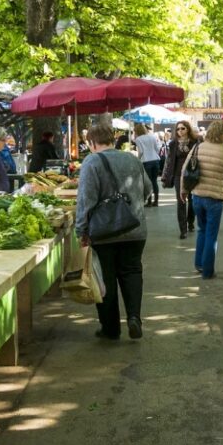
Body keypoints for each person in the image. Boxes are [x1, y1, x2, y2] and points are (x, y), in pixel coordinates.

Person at [75, 125, 152, 341]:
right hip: (135, 228)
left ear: (91, 143)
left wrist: (81, 230)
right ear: (112, 139)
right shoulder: (132, 159)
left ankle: (110, 328)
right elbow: (147, 189)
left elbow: (85, 200)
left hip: (104, 231)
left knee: (105, 278)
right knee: (132, 272)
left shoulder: (92, 162)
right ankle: (135, 318)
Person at [182, 121, 223, 280]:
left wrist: (183, 191)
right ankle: (208, 271)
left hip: (197, 196)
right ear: (222, 134)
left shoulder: (198, 147)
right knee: (212, 234)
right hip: (215, 199)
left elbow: (185, 169)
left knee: (202, 230)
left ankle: (199, 264)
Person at [161, 120, 198, 239]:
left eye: (183, 128)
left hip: (192, 175)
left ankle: (190, 221)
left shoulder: (195, 142)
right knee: (181, 201)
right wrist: (165, 176)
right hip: (178, 175)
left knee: (192, 201)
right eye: (178, 129)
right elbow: (169, 160)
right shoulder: (173, 144)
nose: (180, 131)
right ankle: (183, 230)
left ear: (188, 129)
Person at [133, 123, 162, 207]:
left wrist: (138, 159)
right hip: (156, 160)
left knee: (147, 182)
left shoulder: (138, 139)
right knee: (154, 181)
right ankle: (156, 201)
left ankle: (149, 201)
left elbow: (141, 151)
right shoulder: (152, 136)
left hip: (146, 161)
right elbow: (157, 148)